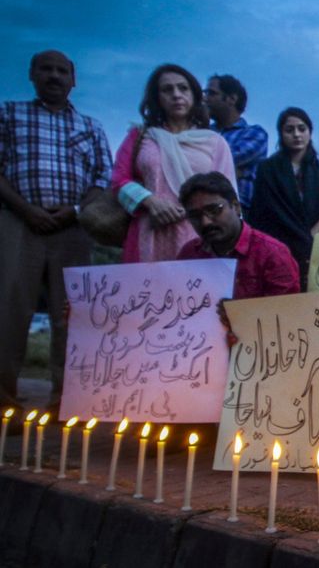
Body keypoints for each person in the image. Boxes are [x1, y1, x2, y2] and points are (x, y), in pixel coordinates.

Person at [0, 50, 112, 409]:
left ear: (73, 79)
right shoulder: (9, 114)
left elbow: (101, 176)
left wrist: (76, 210)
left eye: (62, 70)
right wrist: (27, 209)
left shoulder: (90, 127)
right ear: (32, 74)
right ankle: (4, 400)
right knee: (11, 308)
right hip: (20, 221)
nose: (54, 76)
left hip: (72, 225)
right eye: (46, 69)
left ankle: (67, 400)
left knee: (74, 314)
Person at [112, 63, 237, 263]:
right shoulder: (141, 136)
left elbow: (227, 193)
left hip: (200, 234)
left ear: (195, 95)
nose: (176, 94)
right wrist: (150, 202)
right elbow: (119, 180)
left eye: (183, 88)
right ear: (157, 98)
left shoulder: (214, 142)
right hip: (150, 231)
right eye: (167, 90)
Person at [248, 107, 319, 289]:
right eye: (289, 130)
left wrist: (307, 239)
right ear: (281, 134)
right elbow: (260, 213)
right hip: (276, 249)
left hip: (313, 250)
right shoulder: (267, 170)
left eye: (302, 128)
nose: (297, 135)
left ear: (310, 132)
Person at [177, 172, 300, 298]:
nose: (205, 222)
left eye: (214, 210)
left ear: (236, 207)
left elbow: (285, 312)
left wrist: (237, 312)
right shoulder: (189, 254)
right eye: (195, 216)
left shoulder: (272, 254)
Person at [204, 74, 268, 216]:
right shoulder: (202, 132)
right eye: (205, 93)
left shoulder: (255, 134)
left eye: (212, 93)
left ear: (232, 99)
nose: (205, 98)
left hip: (237, 211)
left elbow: (224, 159)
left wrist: (205, 162)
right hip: (199, 207)